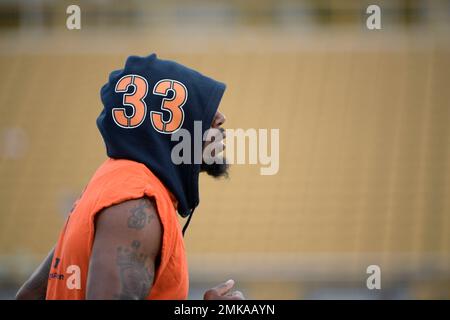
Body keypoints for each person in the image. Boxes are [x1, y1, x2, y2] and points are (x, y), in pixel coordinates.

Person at [16, 53, 244, 300]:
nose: (220, 119)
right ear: (170, 127)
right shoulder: (136, 206)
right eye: (205, 108)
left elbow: (28, 296)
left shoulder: (115, 184)